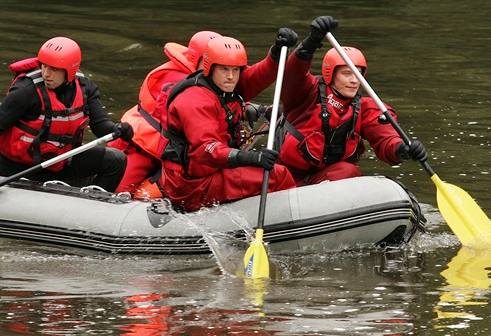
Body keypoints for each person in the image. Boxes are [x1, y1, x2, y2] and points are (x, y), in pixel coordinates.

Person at [277, 16, 428, 186]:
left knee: (348, 171)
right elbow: (292, 75)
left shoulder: (367, 108)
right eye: (347, 74)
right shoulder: (306, 93)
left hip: (324, 180)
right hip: (284, 177)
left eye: (358, 74)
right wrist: (311, 43)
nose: (354, 81)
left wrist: (402, 149)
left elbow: (385, 138)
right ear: (330, 74)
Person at [0, 36, 133, 197]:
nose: (46, 73)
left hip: (62, 162)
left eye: (54, 69)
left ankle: (94, 203)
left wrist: (117, 129)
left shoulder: (85, 88)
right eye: (44, 66)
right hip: (23, 169)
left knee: (116, 160)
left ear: (70, 71)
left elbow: (100, 126)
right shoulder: (25, 91)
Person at [159, 35, 298, 211]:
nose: (231, 77)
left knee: (277, 166)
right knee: (278, 175)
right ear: (210, 68)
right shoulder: (195, 99)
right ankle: (288, 223)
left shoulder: (224, 85)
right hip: (192, 185)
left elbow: (257, 76)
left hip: (211, 172)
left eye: (236, 70)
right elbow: (206, 149)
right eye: (224, 69)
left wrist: (277, 53)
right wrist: (252, 158)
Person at [108, 31, 222, 197]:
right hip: (142, 144)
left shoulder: (213, 83)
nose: (213, 69)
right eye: (207, 62)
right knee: (116, 192)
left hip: (169, 149)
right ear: (195, 60)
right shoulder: (175, 81)